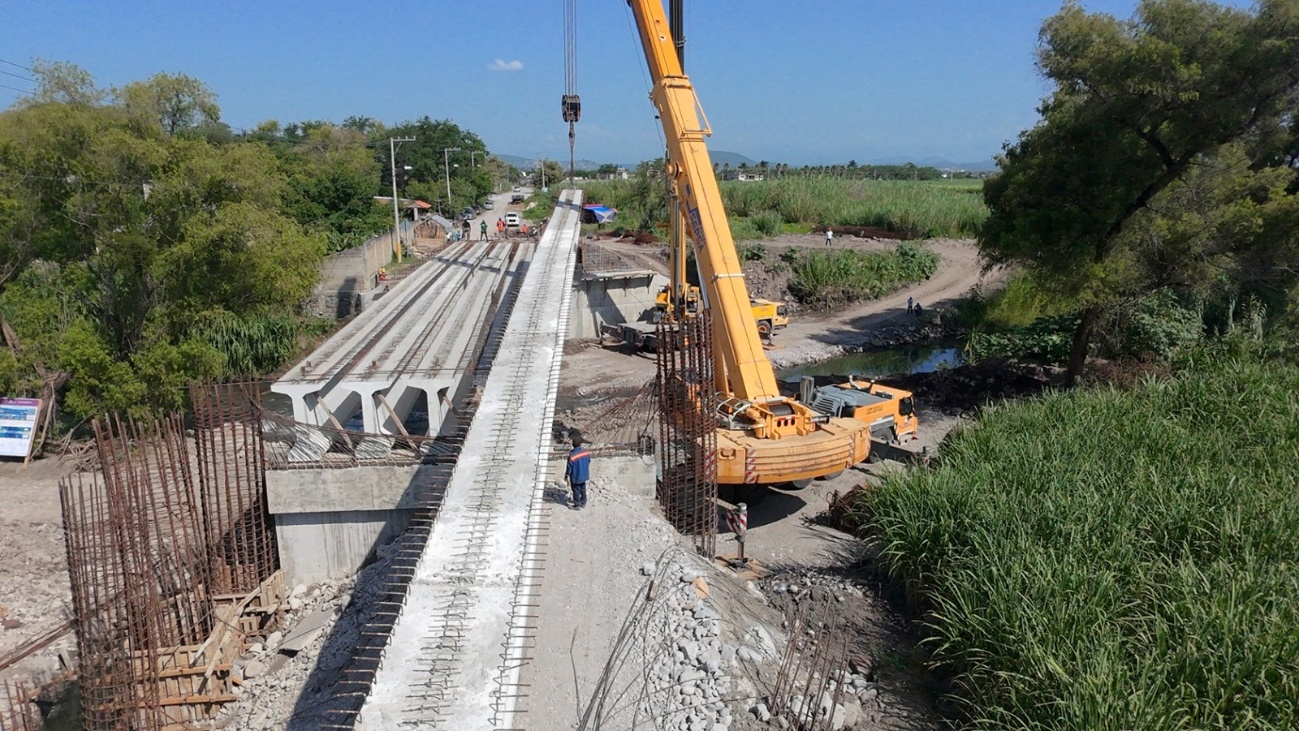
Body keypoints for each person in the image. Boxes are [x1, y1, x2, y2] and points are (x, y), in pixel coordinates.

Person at [566, 435, 591, 510]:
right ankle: (583, 502)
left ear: (573, 445)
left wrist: (567, 475)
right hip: (584, 474)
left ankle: (577, 504)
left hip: (575, 475)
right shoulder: (586, 452)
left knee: (576, 490)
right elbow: (589, 461)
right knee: (583, 488)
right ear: (580, 444)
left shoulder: (572, 455)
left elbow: (569, 467)